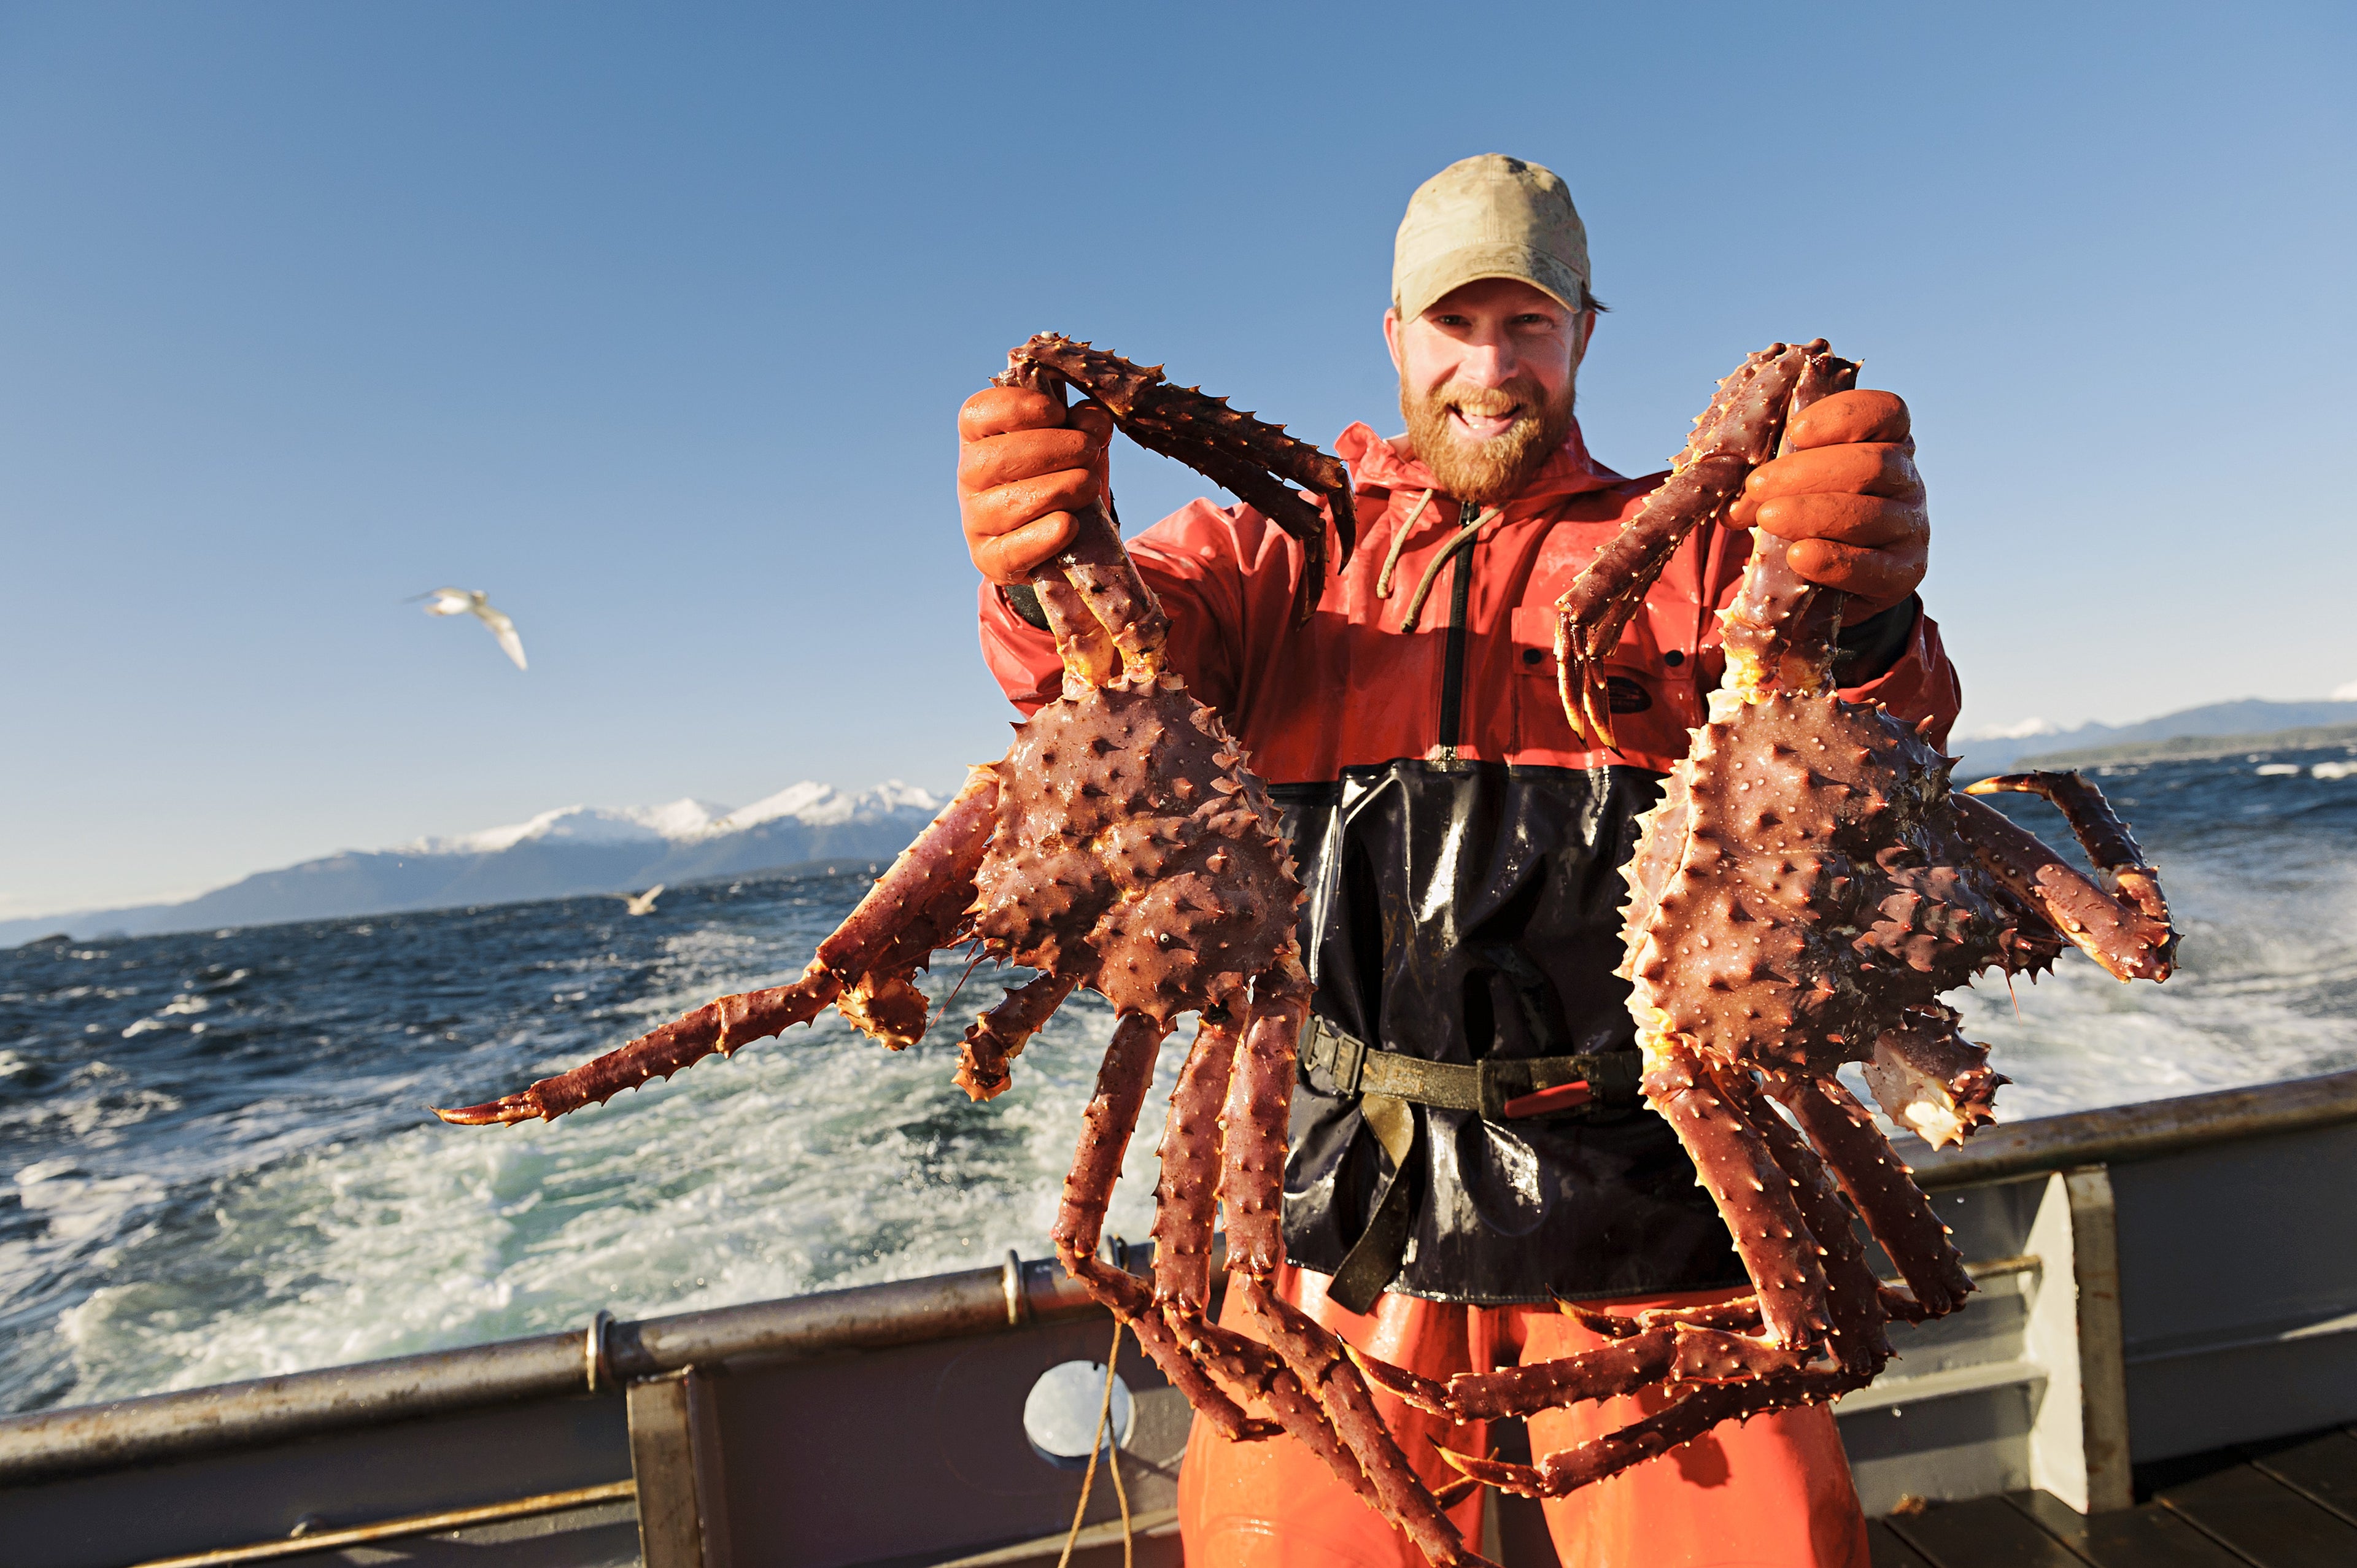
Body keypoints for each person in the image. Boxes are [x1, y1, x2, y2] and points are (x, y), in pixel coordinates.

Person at [955, 155, 1952, 1568]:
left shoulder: (1706, 550)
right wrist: (1034, 567)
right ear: (1395, 336)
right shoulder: (1268, 553)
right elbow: (1105, 670)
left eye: (1528, 324)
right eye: (1455, 324)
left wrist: (1869, 612)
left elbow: (1877, 749)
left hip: (1662, 1187)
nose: (1491, 367)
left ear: (1583, 333)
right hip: (1335, 1200)